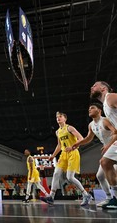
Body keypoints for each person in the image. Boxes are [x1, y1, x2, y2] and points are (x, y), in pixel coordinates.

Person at [66, 102, 117, 207]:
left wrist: (108, 146)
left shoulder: (105, 120)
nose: (89, 109)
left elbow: (115, 132)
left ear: (99, 111)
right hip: (108, 150)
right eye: (89, 108)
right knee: (100, 176)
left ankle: (115, 198)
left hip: (114, 147)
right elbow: (88, 139)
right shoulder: (91, 125)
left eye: (92, 108)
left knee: (109, 170)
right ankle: (109, 198)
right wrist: (76, 144)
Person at [41, 112, 92, 206]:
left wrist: (73, 146)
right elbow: (59, 146)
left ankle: (86, 194)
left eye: (60, 116)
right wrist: (53, 155)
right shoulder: (57, 132)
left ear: (65, 118)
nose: (58, 118)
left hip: (73, 153)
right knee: (56, 173)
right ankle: (51, 197)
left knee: (70, 177)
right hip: (64, 154)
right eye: (57, 117)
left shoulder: (70, 128)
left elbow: (81, 138)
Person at [90, 81, 117, 209]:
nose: (91, 87)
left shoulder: (111, 97)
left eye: (94, 85)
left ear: (103, 88)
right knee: (105, 162)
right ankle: (114, 198)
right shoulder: (106, 106)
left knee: (105, 163)